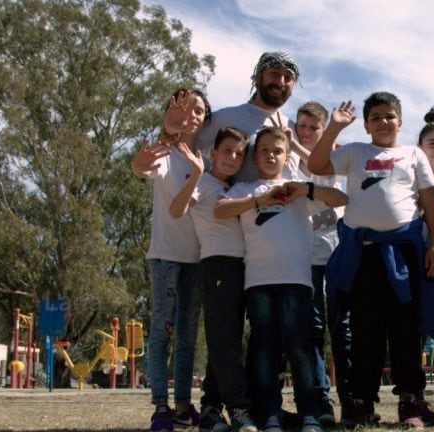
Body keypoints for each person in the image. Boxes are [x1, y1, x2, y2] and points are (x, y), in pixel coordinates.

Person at [308, 93, 434, 428]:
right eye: (376, 117)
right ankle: (361, 403)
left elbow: (430, 205)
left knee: (405, 328)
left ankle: (410, 402)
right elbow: (316, 166)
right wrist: (333, 128)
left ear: (400, 122)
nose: (384, 123)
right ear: (366, 123)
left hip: (403, 253)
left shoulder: (413, 154)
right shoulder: (356, 152)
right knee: (364, 330)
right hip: (364, 254)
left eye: (390, 116)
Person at [213, 127, 348, 432]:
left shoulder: (298, 189)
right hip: (258, 283)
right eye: (264, 151)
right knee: (264, 349)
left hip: (297, 282)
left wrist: (306, 189)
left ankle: (310, 414)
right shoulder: (245, 189)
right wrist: (259, 199)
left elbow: (341, 197)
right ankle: (270, 414)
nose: (271, 156)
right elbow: (219, 210)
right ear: (255, 156)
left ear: (287, 156)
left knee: (300, 347)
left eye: (277, 150)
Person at [130, 89, 211, 432]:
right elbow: (140, 167)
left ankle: (182, 405)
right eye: (186, 109)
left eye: (200, 110)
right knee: (162, 332)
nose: (193, 115)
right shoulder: (165, 151)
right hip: (165, 256)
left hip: (198, 259)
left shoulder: (208, 155)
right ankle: (160, 406)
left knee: (187, 336)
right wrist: (162, 134)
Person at [168, 126, 258, 432]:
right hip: (217, 266)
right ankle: (239, 409)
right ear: (213, 153)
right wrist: (195, 174)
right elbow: (177, 210)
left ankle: (209, 409)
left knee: (229, 342)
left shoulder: (239, 187)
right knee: (225, 344)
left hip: (246, 268)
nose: (232, 158)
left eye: (239, 153)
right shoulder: (204, 183)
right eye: (227, 151)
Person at [294, 101, 352, 426]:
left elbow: (342, 205)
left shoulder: (334, 161)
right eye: (301, 126)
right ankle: (322, 400)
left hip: (337, 256)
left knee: (342, 329)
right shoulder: (288, 162)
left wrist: (316, 218)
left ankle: (351, 399)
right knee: (313, 330)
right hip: (305, 261)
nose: (306, 132)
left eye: (313, 127)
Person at [196, 51, 307, 182]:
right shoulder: (227, 117)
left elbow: (314, 169)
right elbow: (189, 148)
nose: (281, 82)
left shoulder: (294, 128)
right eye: (274, 73)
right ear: (258, 78)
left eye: (288, 77)